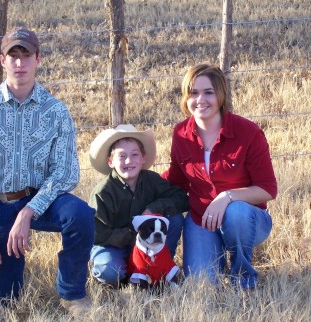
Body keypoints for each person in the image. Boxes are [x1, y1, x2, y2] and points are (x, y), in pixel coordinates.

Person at [0, 26, 95, 317]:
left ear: (38, 60)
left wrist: (29, 211)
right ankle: (5, 276)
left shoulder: (56, 111)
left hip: (41, 200)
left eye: (26, 55)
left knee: (80, 214)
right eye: (13, 55)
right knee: (4, 303)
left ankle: (72, 293)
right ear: (2, 60)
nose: (20, 63)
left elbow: (66, 172)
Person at [162, 64, 277, 290]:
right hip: (201, 219)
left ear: (221, 95)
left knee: (236, 213)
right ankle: (216, 257)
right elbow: (176, 179)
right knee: (200, 285)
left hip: (246, 219)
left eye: (208, 92)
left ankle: (242, 277)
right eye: (193, 93)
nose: (200, 100)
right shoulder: (180, 134)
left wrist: (227, 197)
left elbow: (268, 189)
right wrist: (139, 181)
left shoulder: (248, 132)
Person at [88, 124, 189, 287]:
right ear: (110, 162)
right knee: (110, 271)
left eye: (135, 155)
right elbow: (96, 233)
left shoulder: (152, 180)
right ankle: (115, 276)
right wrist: (132, 236)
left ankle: (160, 266)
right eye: (121, 156)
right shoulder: (103, 192)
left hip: (150, 244)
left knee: (175, 218)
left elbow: (182, 198)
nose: (129, 161)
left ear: (143, 158)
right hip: (114, 246)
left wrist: (154, 209)